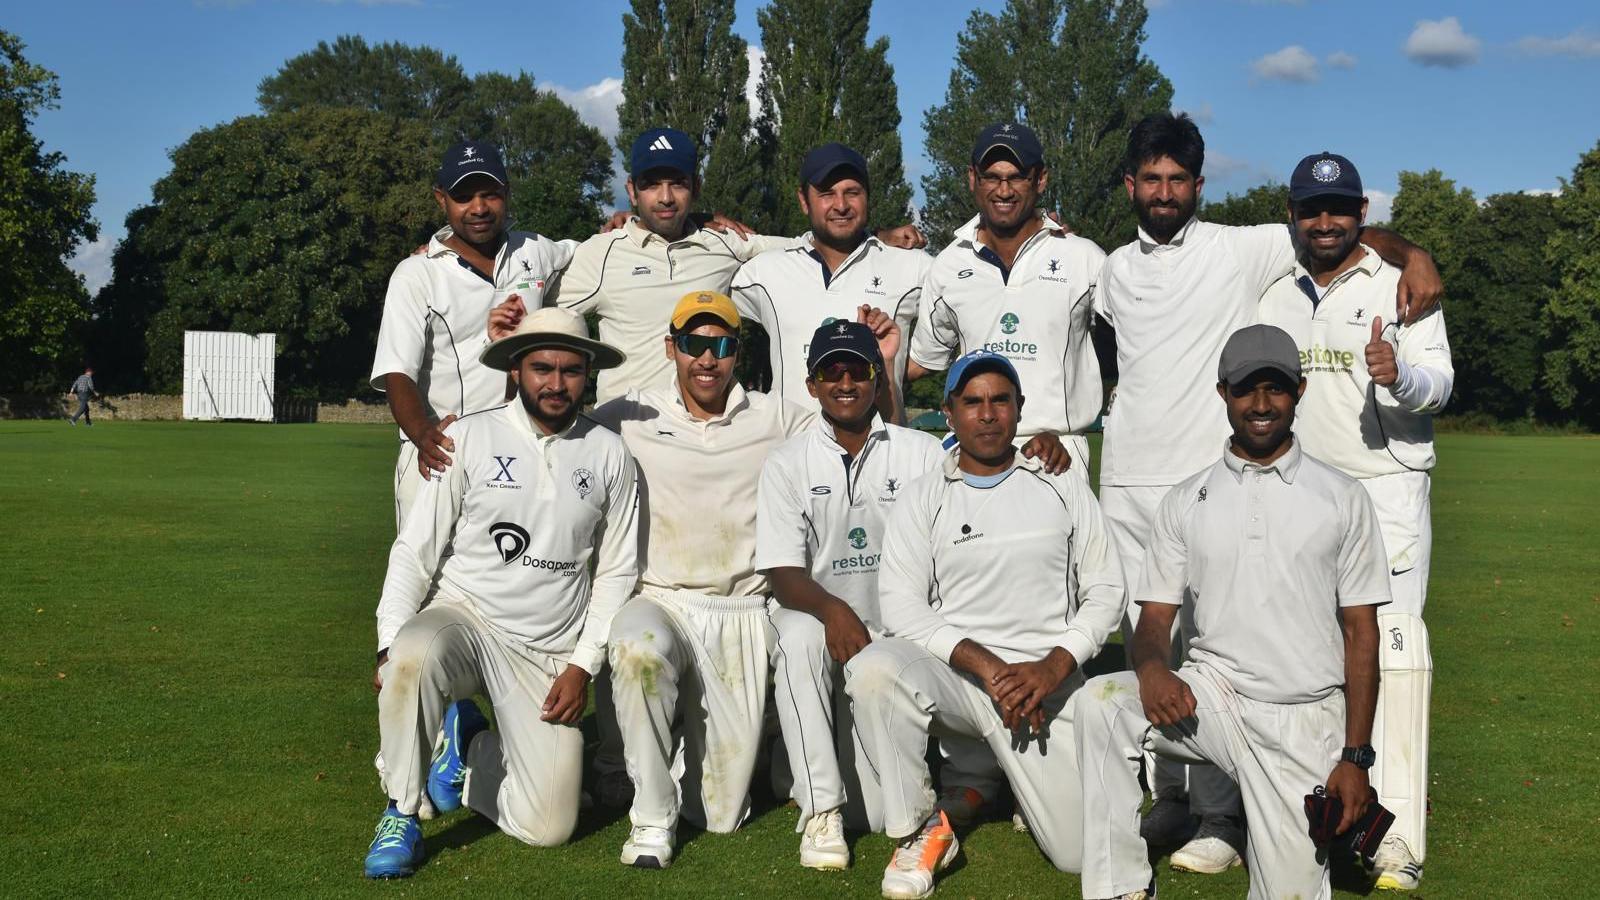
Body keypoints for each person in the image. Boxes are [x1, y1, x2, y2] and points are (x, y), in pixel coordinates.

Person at [1094, 112, 1443, 872]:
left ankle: (1223, 819)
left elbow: (1335, 232)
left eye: (1176, 179)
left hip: (1206, 485)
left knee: (1217, 654)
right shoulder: (1105, 266)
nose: (1162, 192)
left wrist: (1412, 252)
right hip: (1123, 481)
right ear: (1129, 184)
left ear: (1196, 185)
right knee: (1146, 651)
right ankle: (1171, 799)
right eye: (1149, 179)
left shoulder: (1238, 245)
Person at [1073, 323, 1391, 900]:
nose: (1261, 405)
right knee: (1102, 704)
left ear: (1299, 390)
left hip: (1302, 717)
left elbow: (1361, 634)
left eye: (1275, 389)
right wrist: (1151, 671)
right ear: (1223, 393)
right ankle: (1119, 887)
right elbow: (1152, 619)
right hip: (1211, 699)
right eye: (1246, 389)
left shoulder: (1343, 497)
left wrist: (1355, 758)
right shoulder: (1184, 499)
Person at [362, 307, 639, 879]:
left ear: (587, 374)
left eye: (570, 370)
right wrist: (389, 640)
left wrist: (583, 666)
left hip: (545, 650)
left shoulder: (610, 452)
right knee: (412, 657)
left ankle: (469, 749)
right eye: (542, 368)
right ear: (516, 369)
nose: (556, 384)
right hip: (463, 620)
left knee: (549, 826)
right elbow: (415, 551)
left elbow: (616, 572)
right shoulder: (467, 436)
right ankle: (401, 810)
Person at [845, 349, 1126, 900]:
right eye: (972, 402)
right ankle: (921, 829)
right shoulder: (925, 495)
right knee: (876, 669)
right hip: (965, 681)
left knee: (1073, 854)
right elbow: (901, 607)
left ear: (1020, 411)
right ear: (948, 414)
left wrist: (1053, 666)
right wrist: (988, 667)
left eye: (1001, 400)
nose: (988, 413)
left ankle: (990, 785)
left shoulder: (1060, 480)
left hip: (1045, 689)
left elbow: (1107, 590)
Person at [1258, 152, 1453, 892]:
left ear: (1362, 212)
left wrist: (1396, 374)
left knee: (1393, 657)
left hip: (1387, 493)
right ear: (1294, 214)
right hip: (1302, 492)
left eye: (1340, 208)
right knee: (1312, 661)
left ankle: (1395, 837)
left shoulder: (1402, 281)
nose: (1327, 222)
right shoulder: (1272, 284)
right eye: (1313, 209)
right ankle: (1324, 817)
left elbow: (1441, 382)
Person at [587, 291, 816, 869]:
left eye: (720, 346)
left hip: (740, 610)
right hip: (658, 599)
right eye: (694, 345)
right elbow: (554, 428)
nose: (706, 360)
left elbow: (853, 425)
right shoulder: (628, 414)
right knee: (637, 650)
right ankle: (648, 822)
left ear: (737, 353)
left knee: (717, 816)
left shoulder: (777, 417)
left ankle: (670, 761)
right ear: (672, 348)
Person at [537, 128, 923, 406]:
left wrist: (878, 236)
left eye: (678, 183)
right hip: (625, 431)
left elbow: (811, 243)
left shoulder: (725, 244)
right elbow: (544, 315)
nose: (666, 197)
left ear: (696, 186)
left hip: (703, 436)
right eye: (652, 185)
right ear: (632, 190)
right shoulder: (601, 253)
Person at [756, 320, 946, 869]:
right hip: (818, 623)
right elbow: (782, 571)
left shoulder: (922, 453)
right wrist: (832, 608)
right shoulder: (787, 461)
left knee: (882, 814)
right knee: (796, 634)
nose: (845, 382)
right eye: (830, 371)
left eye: (858, 369)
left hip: (892, 639)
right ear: (812, 383)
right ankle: (820, 811)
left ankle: (793, 763)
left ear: (877, 378)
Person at [369, 140, 580, 527]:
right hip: (441, 453)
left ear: (507, 193)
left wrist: (687, 221)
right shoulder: (417, 273)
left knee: (513, 578)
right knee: (424, 581)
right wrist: (422, 434)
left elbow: (603, 254)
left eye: (490, 194)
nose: (479, 208)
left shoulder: (534, 250)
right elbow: (397, 372)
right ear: (441, 200)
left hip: (521, 456)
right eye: (464, 196)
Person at [906, 122, 1102, 478]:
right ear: (972, 178)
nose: (1004, 190)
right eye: (992, 177)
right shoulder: (948, 265)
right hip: (974, 454)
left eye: (1017, 177)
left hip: (1060, 459)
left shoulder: (1085, 259)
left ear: (1040, 180)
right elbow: (921, 361)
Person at [731, 143, 930, 415]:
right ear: (803, 201)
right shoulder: (764, 271)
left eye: (852, 192)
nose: (841, 205)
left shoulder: (913, 266)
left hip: (882, 453)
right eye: (827, 193)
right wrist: (701, 220)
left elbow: (969, 311)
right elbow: (698, 269)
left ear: (868, 196)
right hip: (794, 452)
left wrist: (899, 367)